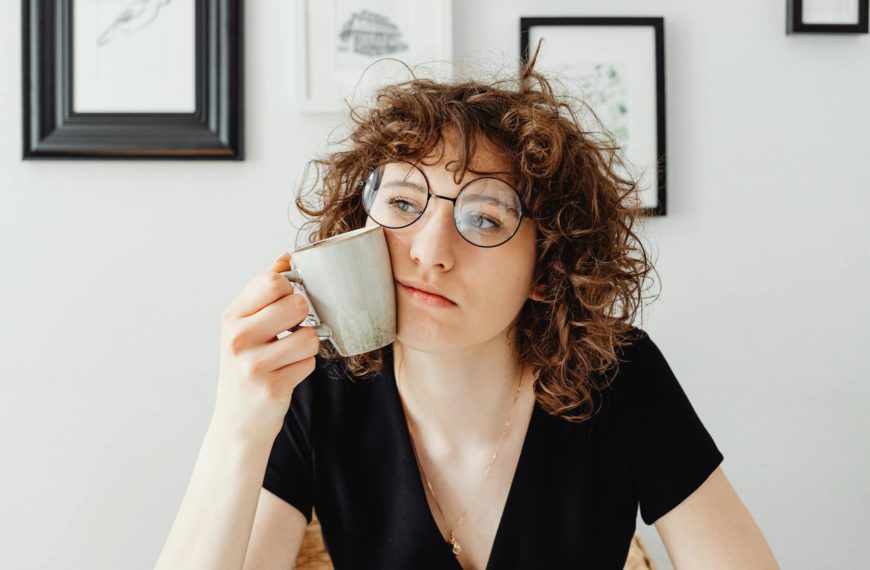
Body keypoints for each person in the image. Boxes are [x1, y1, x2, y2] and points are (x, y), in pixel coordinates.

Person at [155, 43, 780, 569]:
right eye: (403, 204)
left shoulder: (617, 374)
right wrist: (237, 427)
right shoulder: (319, 384)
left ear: (548, 266)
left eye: (484, 217)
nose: (430, 252)